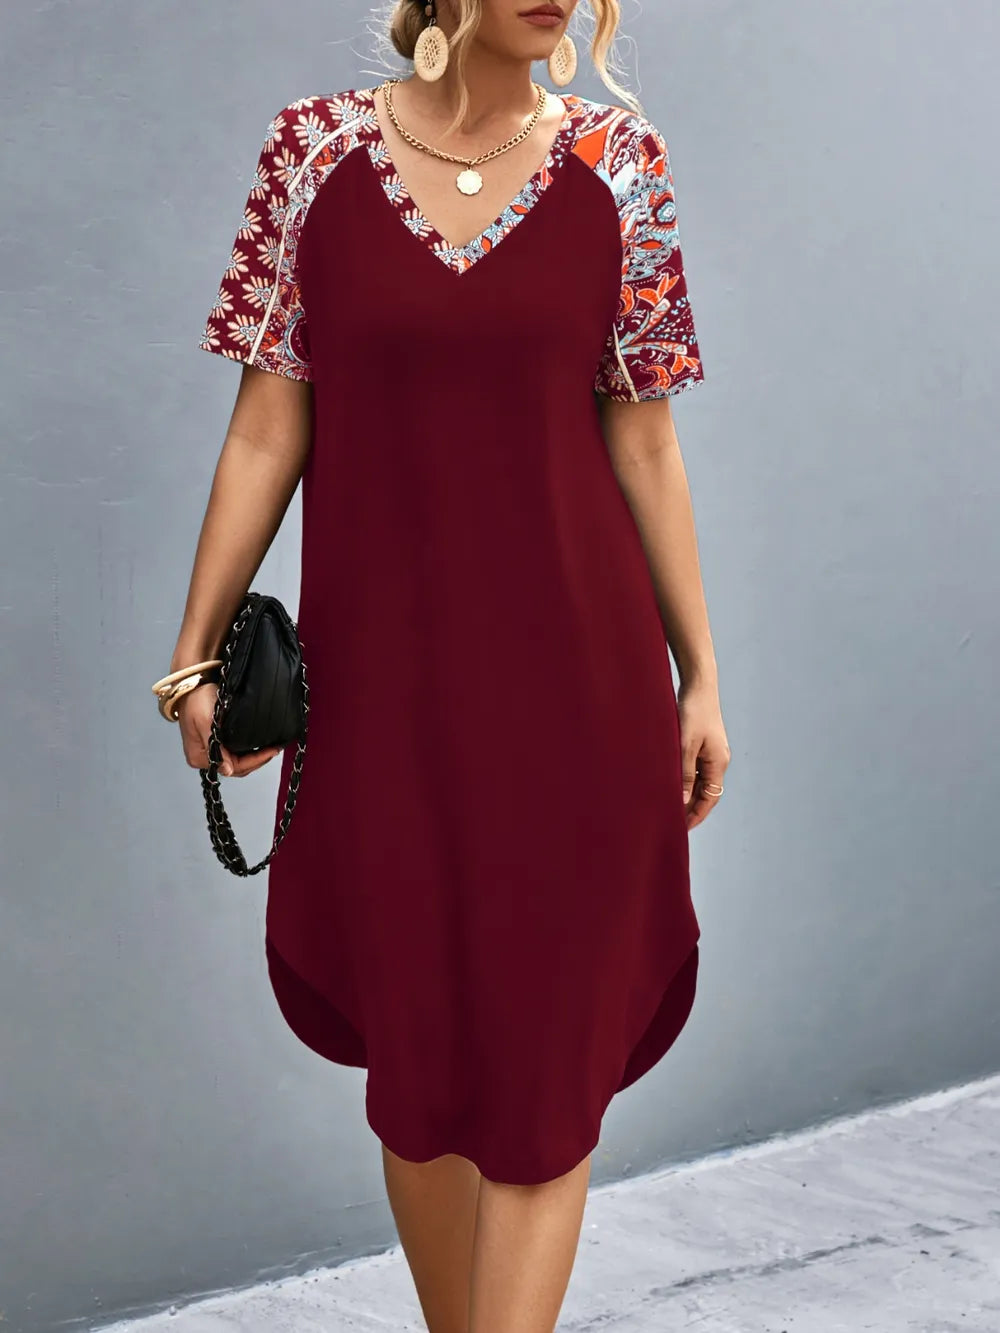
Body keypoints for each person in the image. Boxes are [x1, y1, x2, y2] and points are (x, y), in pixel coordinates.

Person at [163, 1, 730, 1328]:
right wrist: (192, 654)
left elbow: (645, 440)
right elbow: (267, 428)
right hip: (384, 707)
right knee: (417, 1077)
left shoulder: (619, 163)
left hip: (582, 698)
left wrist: (700, 672)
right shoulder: (312, 155)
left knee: (544, 1079)